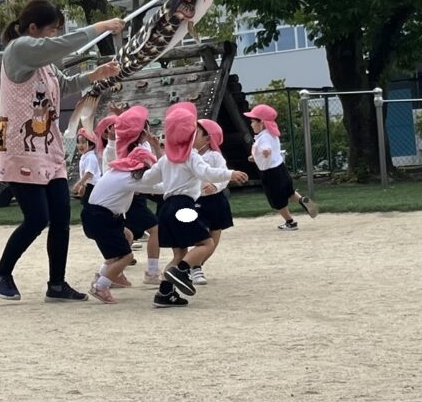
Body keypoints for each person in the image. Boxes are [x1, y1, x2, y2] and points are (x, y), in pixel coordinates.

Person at [0, 0, 124, 302]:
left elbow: (63, 85)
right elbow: (60, 46)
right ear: (33, 28)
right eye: (52, 30)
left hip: (48, 148)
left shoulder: (44, 61)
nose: (55, 36)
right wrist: (101, 27)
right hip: (21, 148)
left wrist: (96, 74)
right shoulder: (19, 49)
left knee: (61, 217)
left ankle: (57, 284)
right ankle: (1, 273)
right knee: (37, 218)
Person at [136, 103, 249, 308]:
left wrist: (136, 179)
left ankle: (164, 294)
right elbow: (207, 172)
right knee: (206, 244)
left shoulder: (166, 160)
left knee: (179, 253)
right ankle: (182, 270)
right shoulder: (191, 156)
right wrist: (230, 174)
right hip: (184, 208)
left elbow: (147, 179)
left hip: (166, 209)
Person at [81, 147, 158, 304]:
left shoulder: (116, 172)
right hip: (102, 218)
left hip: (95, 215)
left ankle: (103, 275)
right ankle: (100, 286)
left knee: (127, 236)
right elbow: (154, 188)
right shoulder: (129, 178)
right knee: (126, 256)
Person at [244, 103, 318, 230]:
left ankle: (290, 222)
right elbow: (268, 150)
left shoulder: (264, 137)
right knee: (289, 192)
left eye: (253, 122)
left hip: (270, 173)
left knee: (277, 200)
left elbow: (267, 148)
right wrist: (255, 157)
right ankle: (304, 201)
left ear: (261, 123)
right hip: (280, 169)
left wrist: (266, 152)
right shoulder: (272, 134)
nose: (251, 125)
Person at [113, 105, 163, 283]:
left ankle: (111, 273)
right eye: (145, 127)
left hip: (133, 195)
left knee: (127, 235)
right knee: (155, 230)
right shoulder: (136, 149)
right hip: (134, 196)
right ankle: (152, 273)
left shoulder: (131, 146)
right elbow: (158, 170)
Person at [191, 119, 234, 285]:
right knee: (201, 237)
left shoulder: (215, 156)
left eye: (196, 133)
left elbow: (224, 174)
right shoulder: (190, 156)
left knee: (214, 238)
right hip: (197, 201)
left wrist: (215, 185)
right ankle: (194, 267)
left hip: (215, 201)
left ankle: (195, 265)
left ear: (208, 138)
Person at [72, 129, 101, 205]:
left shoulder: (90, 157)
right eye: (78, 142)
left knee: (89, 207)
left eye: (83, 142)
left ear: (91, 145)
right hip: (88, 186)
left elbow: (89, 173)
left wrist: (79, 184)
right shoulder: (85, 157)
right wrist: (83, 185)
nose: (80, 145)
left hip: (92, 187)